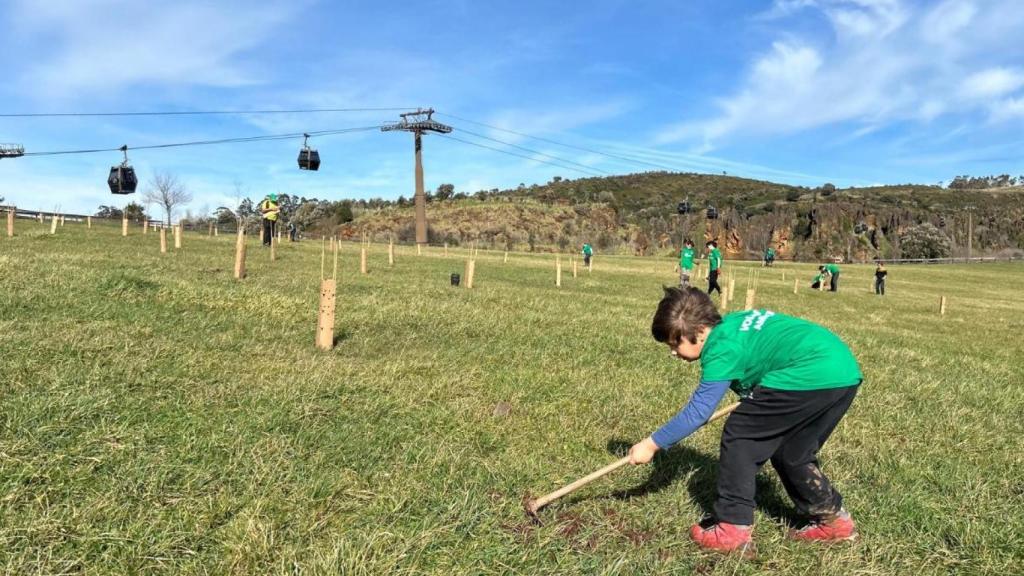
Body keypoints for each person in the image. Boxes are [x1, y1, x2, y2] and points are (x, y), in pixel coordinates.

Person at [629, 287, 862, 554]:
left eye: (675, 343)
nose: (673, 352)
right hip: (842, 372)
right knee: (793, 453)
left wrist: (652, 444)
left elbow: (699, 412)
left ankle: (732, 527)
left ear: (701, 332)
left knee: (742, 434)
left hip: (808, 374)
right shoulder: (733, 324)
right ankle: (834, 523)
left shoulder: (721, 348)